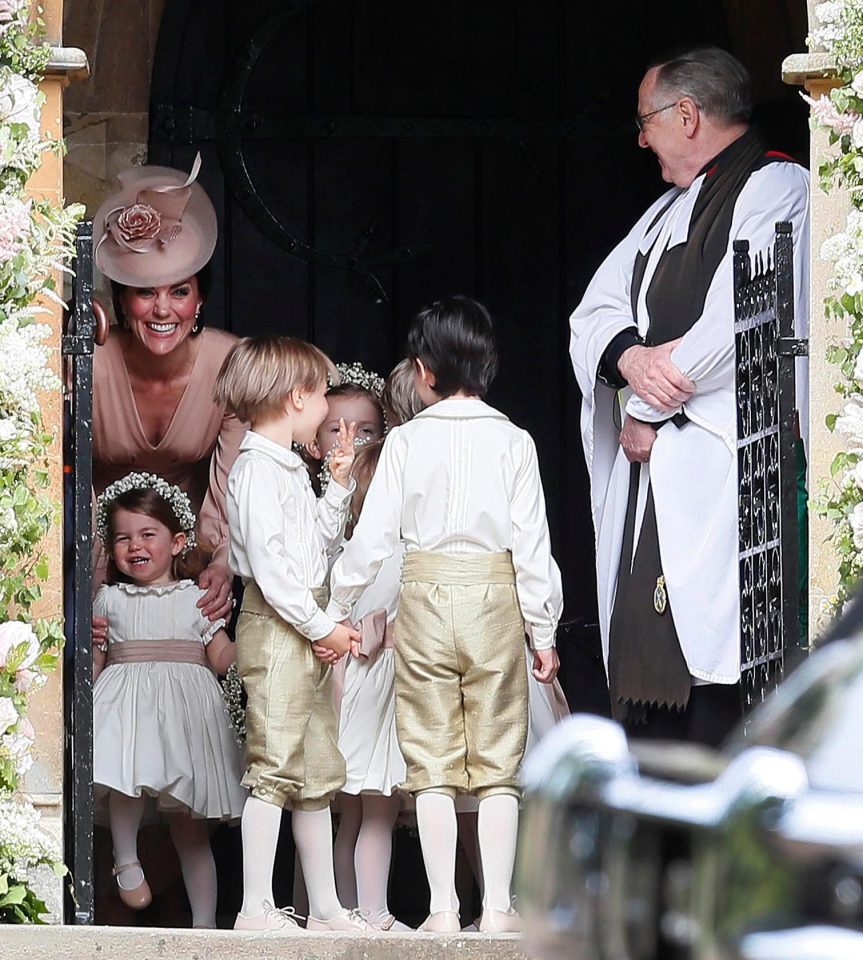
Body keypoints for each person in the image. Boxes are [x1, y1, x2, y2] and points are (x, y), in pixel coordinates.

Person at [569, 47, 809, 746]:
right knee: (653, 677)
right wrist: (630, 358)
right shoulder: (663, 213)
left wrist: (644, 405)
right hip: (655, 479)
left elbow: (742, 316)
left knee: (725, 663)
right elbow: (593, 312)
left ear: (686, 114)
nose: (640, 139)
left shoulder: (774, 187)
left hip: (729, 463)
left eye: (646, 121)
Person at [327, 296, 564, 934]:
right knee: (498, 763)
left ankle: (440, 909)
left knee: (428, 759)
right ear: (487, 366)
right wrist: (542, 629)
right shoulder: (515, 441)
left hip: (423, 595)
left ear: (424, 369)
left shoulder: (404, 441)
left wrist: (335, 609)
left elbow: (372, 538)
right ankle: (498, 909)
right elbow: (533, 546)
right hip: (493, 597)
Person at [213, 335, 369, 934]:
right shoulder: (256, 469)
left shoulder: (287, 469)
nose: (328, 407)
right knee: (274, 767)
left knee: (312, 773)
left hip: (300, 627)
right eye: (323, 394)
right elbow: (277, 574)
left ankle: (325, 906)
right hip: (279, 629)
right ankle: (255, 905)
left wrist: (338, 484)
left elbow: (316, 547)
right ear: (296, 396)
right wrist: (322, 625)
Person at [91, 154, 243, 626]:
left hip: (187, 554)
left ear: (199, 300)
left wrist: (220, 561)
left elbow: (232, 481)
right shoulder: (88, 364)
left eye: (179, 291)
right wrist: (89, 579)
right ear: (120, 299)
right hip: (96, 546)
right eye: (145, 292)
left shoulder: (229, 363)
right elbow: (61, 471)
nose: (163, 309)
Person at [91, 472, 246, 929]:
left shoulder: (196, 597)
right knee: (126, 775)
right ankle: (125, 859)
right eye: (122, 538)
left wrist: (254, 648)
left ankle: (205, 924)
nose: (134, 546)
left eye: (147, 534)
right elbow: (96, 663)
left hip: (184, 715)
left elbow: (220, 656)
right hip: (127, 706)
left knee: (190, 825)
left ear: (178, 542)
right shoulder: (107, 598)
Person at [328, 440, 411, 932]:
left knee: (353, 814)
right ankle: (374, 913)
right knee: (378, 807)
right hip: (385, 686)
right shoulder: (404, 556)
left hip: (356, 687)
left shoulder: (350, 556)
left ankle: (346, 910)